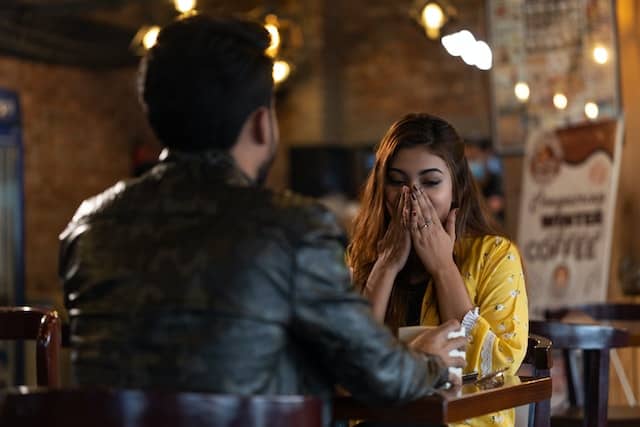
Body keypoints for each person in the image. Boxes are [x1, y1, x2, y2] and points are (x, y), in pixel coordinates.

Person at [58, 16, 465, 426]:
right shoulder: (293, 229)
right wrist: (429, 362)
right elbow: (374, 376)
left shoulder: (88, 227)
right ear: (261, 123)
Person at [347, 113, 529, 427]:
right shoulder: (362, 256)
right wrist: (385, 267)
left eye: (430, 182)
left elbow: (498, 367)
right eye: (397, 181)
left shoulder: (494, 255)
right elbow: (347, 366)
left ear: (456, 188)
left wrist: (444, 267)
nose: (412, 197)